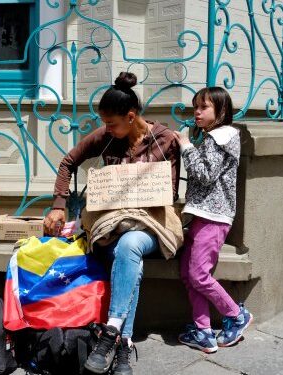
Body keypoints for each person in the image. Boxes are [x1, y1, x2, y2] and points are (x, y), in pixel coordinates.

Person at [44, 72, 182, 375]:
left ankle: (110, 333)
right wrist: (58, 205)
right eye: (105, 123)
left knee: (131, 242)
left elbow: (169, 192)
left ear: (131, 117)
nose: (106, 129)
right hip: (112, 228)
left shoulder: (164, 140)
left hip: (151, 223)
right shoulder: (106, 138)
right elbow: (68, 162)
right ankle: (120, 342)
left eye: (112, 123)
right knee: (127, 250)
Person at [175, 87, 252, 353]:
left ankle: (236, 314)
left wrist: (185, 146)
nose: (197, 112)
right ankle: (203, 330)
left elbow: (205, 174)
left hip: (214, 218)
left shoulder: (219, 137)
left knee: (198, 274)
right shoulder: (212, 137)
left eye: (204, 107)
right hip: (201, 215)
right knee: (188, 273)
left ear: (220, 111)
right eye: (195, 106)